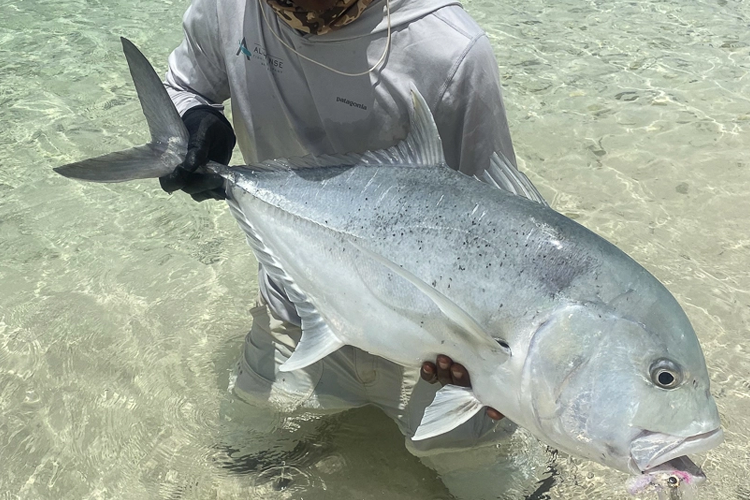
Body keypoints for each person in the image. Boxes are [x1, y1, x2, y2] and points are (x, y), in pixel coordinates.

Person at [159, 0, 542, 496]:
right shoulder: (226, 8)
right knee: (237, 467)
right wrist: (191, 120)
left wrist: (507, 365)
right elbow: (184, 84)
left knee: (515, 491)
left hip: (429, 349)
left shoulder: (451, 51)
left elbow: (502, 228)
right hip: (296, 312)